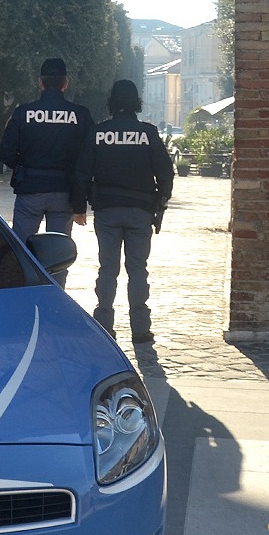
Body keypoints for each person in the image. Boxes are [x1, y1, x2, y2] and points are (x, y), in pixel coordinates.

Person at [74, 79, 174, 344]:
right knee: (138, 269)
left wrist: (78, 206)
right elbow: (165, 173)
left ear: (112, 102)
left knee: (108, 268)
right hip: (141, 210)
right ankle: (140, 328)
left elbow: (82, 172)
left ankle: (104, 322)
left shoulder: (98, 132)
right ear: (136, 103)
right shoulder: (148, 133)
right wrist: (161, 202)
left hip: (106, 210)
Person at [0, 57, 94, 286]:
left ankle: (21, 296)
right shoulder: (80, 116)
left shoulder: (24, 114)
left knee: (20, 250)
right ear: (65, 83)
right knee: (58, 254)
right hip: (64, 193)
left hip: (30, 190)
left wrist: (24, 166)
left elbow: (6, 154)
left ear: (40, 82)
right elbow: (87, 160)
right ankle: (54, 297)